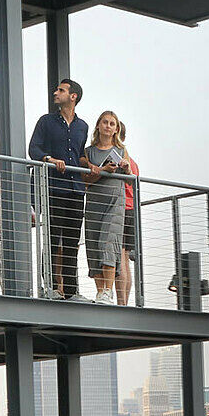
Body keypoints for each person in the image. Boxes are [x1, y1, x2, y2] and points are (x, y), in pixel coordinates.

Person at [27, 78, 89, 300]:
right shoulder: (46, 121)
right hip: (54, 187)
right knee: (53, 239)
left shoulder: (83, 126)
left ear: (73, 96)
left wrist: (91, 165)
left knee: (72, 242)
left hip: (76, 190)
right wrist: (50, 159)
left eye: (61, 90)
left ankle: (71, 291)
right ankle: (51, 288)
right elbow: (33, 149)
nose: (55, 92)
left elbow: (80, 154)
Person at [80, 111, 132, 304]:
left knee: (109, 244)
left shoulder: (121, 150)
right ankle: (100, 291)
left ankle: (108, 291)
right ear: (98, 125)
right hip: (94, 203)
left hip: (114, 203)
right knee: (94, 245)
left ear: (116, 129)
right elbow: (86, 180)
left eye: (112, 124)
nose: (108, 126)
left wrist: (126, 168)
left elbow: (130, 181)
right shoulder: (88, 152)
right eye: (105, 122)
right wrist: (103, 170)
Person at [116, 120, 140, 303]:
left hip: (121, 209)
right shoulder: (133, 163)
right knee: (125, 258)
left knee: (119, 258)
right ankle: (125, 301)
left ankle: (121, 301)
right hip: (132, 210)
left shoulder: (118, 160)